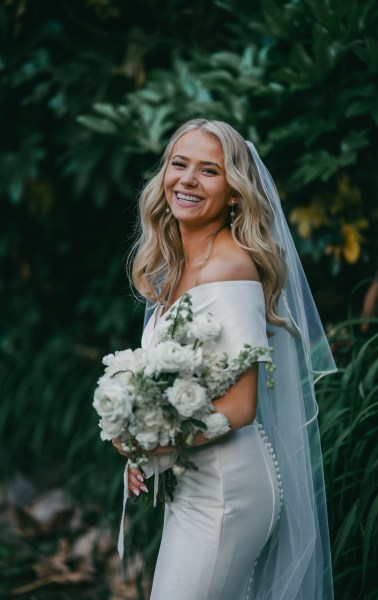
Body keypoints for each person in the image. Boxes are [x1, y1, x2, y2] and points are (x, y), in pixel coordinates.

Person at [113, 119, 336, 599]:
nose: (188, 179)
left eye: (208, 171)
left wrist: (153, 444)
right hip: (199, 481)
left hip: (224, 494)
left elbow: (239, 406)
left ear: (234, 193)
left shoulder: (229, 268)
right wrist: (140, 432)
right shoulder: (179, 265)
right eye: (179, 164)